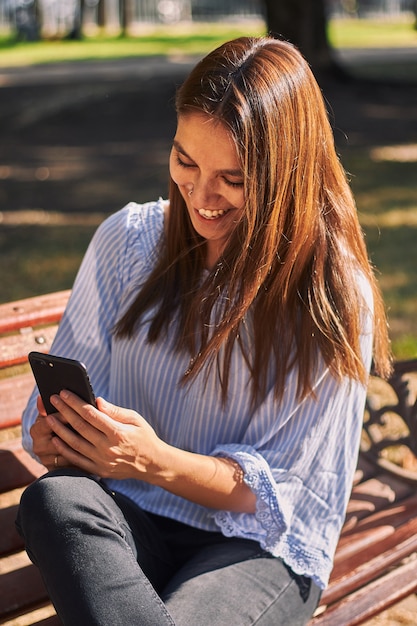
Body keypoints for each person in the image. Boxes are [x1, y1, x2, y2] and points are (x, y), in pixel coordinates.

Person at [17, 36, 391, 626]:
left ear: (286, 173)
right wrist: (55, 434)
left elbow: (271, 494)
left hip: (255, 549)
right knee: (55, 499)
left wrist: (153, 460)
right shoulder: (129, 242)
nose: (201, 195)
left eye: (234, 178)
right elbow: (59, 395)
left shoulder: (330, 291)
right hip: (132, 523)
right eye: (185, 160)